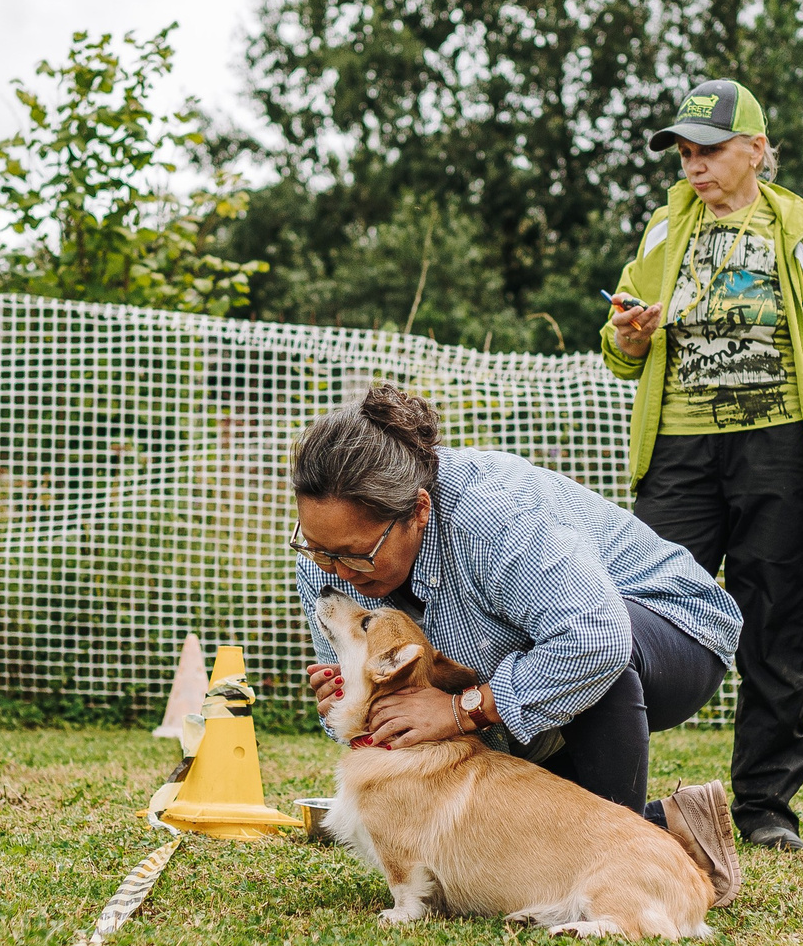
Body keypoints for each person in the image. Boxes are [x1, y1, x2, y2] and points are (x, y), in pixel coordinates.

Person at [291, 383, 746, 898]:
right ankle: (673, 828)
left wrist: (462, 710)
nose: (334, 572)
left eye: (354, 555)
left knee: (596, 672)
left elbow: (595, 641)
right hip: (533, 662)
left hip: (670, 629)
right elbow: (379, 707)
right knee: (517, 817)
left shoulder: (493, 511)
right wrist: (346, 704)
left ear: (418, 511)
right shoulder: (330, 550)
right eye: (316, 550)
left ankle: (619, 862)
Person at [601, 78, 803, 852]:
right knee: (634, 614)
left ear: (756, 150)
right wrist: (627, 336)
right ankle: (613, 792)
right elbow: (620, 340)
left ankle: (764, 810)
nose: (694, 167)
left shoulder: (799, 228)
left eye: (709, 151)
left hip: (778, 446)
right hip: (679, 453)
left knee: (774, 628)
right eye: (685, 153)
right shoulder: (664, 229)